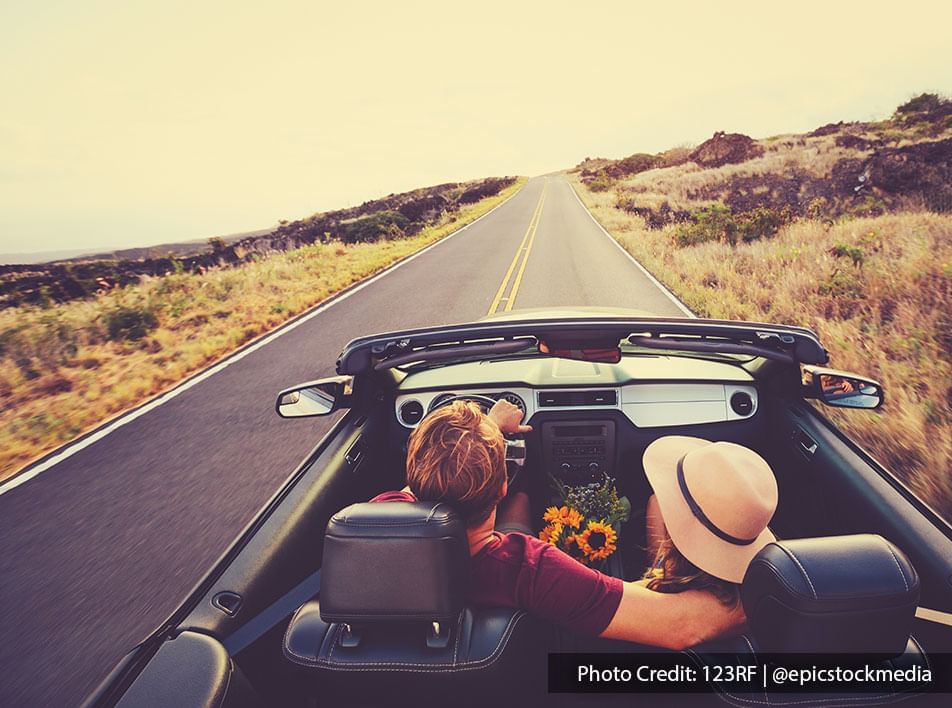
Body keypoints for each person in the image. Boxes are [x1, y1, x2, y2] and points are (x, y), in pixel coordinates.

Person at [371, 400, 778, 650]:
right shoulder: (528, 568)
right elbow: (682, 627)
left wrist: (487, 429)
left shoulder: (378, 519)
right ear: (500, 487)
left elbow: (425, 481)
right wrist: (774, 593)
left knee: (522, 509)